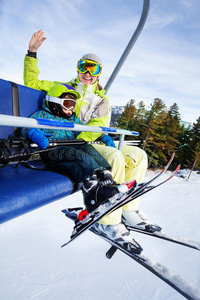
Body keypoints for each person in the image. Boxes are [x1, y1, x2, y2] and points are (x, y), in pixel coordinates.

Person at [23, 29, 161, 234]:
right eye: (83, 67)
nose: (87, 73)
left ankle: (128, 209)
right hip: (72, 144)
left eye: (93, 69)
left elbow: (99, 122)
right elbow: (32, 83)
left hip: (85, 141)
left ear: (98, 73)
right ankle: (108, 220)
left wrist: (91, 136)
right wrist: (32, 54)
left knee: (138, 156)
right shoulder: (61, 88)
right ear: (78, 69)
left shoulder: (102, 99)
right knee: (114, 157)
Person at [21, 83, 143, 254]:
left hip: (73, 148)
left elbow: (86, 129)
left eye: (73, 105)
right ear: (55, 103)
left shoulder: (73, 119)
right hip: (53, 151)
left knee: (88, 150)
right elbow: (25, 125)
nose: (71, 109)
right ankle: (92, 185)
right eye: (67, 104)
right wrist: (33, 132)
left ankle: (106, 178)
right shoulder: (42, 114)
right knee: (79, 157)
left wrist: (102, 135)